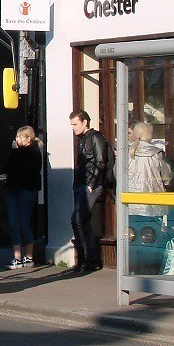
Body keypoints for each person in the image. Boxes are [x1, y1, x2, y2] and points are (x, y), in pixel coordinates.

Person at [69, 109, 111, 273]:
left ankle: (88, 259)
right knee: (81, 221)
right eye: (72, 124)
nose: (73, 128)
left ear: (85, 122)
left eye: (75, 124)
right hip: (82, 183)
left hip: (89, 184)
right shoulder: (83, 139)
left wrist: (92, 183)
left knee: (78, 219)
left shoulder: (95, 137)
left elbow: (101, 161)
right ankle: (86, 259)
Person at [4, 126, 44, 268]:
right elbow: (7, 166)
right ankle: (17, 257)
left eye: (20, 137)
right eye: (17, 136)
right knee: (13, 223)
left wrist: (15, 151)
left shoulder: (34, 152)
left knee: (24, 222)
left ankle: (29, 255)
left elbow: (25, 167)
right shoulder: (17, 152)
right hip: (13, 188)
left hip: (27, 189)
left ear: (28, 138)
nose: (17, 139)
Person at [127, 121, 172, 217]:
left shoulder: (126, 152)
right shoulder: (157, 153)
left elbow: (116, 173)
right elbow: (167, 177)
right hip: (153, 201)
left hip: (129, 201)